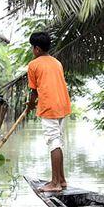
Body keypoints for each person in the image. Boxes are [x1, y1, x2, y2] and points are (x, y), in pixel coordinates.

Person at [27, 32, 72, 193]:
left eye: (33, 47)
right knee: (58, 141)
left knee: (53, 142)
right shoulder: (57, 62)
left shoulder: (34, 64)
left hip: (49, 107)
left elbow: (34, 91)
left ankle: (55, 183)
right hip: (62, 105)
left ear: (37, 49)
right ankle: (61, 179)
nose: (33, 50)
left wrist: (31, 104)